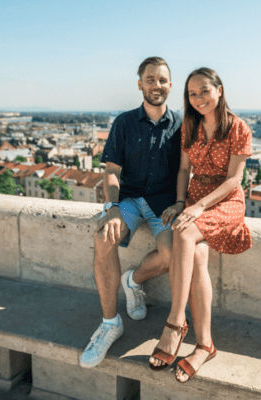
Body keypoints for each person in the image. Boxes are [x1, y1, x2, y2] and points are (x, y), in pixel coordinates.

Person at [80, 57, 207, 369]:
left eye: (162, 80)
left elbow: (186, 170)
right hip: (129, 200)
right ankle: (110, 323)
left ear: (170, 86)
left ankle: (133, 281)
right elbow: (112, 171)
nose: (156, 85)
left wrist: (181, 203)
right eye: (150, 79)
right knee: (103, 239)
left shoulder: (182, 125)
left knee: (173, 254)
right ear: (140, 84)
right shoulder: (124, 123)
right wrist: (110, 209)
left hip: (164, 204)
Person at [148, 68, 253, 382]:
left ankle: (176, 322)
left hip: (225, 200)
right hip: (194, 198)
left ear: (219, 90)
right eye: (192, 94)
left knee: (183, 231)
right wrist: (182, 201)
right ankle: (205, 345)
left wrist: (197, 206)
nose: (198, 99)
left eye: (204, 91)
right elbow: (183, 170)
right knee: (196, 256)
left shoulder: (238, 127)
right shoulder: (189, 127)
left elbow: (235, 179)